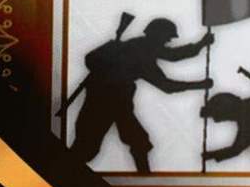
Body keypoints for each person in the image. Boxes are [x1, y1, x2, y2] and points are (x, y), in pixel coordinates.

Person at [67, 18, 213, 173]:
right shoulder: (141, 54)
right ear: (157, 36)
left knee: (138, 141)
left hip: (115, 101)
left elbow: (173, 55)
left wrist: (201, 44)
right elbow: (167, 85)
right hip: (106, 101)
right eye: (166, 38)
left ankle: (145, 177)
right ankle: (65, 174)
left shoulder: (139, 45)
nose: (168, 41)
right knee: (87, 148)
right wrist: (199, 84)